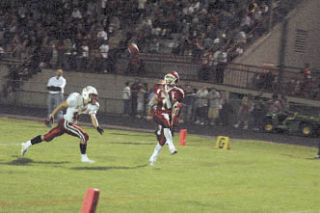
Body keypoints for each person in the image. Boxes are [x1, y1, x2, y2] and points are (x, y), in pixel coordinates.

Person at [20, 86, 104, 163]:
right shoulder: (76, 98)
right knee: (84, 136)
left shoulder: (93, 105)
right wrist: (52, 115)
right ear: (86, 94)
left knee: (47, 137)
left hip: (64, 123)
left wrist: (97, 127)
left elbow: (93, 117)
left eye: (94, 96)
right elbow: (62, 105)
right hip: (66, 123)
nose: (95, 98)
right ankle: (84, 158)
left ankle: (26, 144)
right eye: (92, 95)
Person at [148, 71, 184, 166]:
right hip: (159, 112)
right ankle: (171, 147)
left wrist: (176, 113)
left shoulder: (178, 92)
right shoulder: (160, 88)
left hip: (168, 114)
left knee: (162, 140)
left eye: (171, 78)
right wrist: (150, 107)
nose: (168, 80)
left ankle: (153, 157)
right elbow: (155, 100)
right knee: (165, 122)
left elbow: (171, 105)